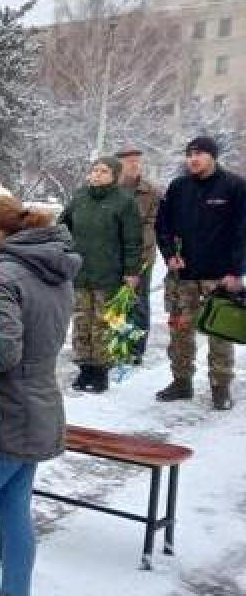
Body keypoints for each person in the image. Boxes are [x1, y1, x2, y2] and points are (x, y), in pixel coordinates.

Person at [0, 196, 80, 596]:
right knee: (15, 510)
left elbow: (5, 351)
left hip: (9, 412)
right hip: (42, 404)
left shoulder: (3, 276)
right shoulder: (54, 269)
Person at [154, 136, 246, 411]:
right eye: (190, 154)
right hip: (184, 275)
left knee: (220, 333)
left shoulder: (235, 187)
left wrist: (236, 271)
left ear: (213, 157)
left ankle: (220, 386)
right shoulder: (179, 187)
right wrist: (169, 255)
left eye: (200, 154)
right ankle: (181, 381)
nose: (193, 159)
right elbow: (162, 225)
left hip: (219, 276)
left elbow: (243, 232)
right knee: (180, 330)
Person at [58, 156, 143, 393]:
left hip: (109, 273)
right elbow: (62, 226)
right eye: (94, 170)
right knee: (81, 321)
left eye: (103, 171)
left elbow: (133, 240)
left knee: (103, 322)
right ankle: (84, 367)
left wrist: (132, 271)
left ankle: (100, 371)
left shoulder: (124, 201)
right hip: (80, 271)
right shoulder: (80, 197)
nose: (97, 175)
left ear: (114, 176)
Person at [116, 147, 162, 364]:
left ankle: (135, 350)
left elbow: (152, 226)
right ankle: (116, 346)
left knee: (138, 304)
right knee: (115, 302)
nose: (134, 165)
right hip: (113, 256)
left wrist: (135, 257)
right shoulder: (111, 188)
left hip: (142, 256)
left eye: (137, 161)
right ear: (120, 164)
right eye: (129, 161)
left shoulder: (150, 191)